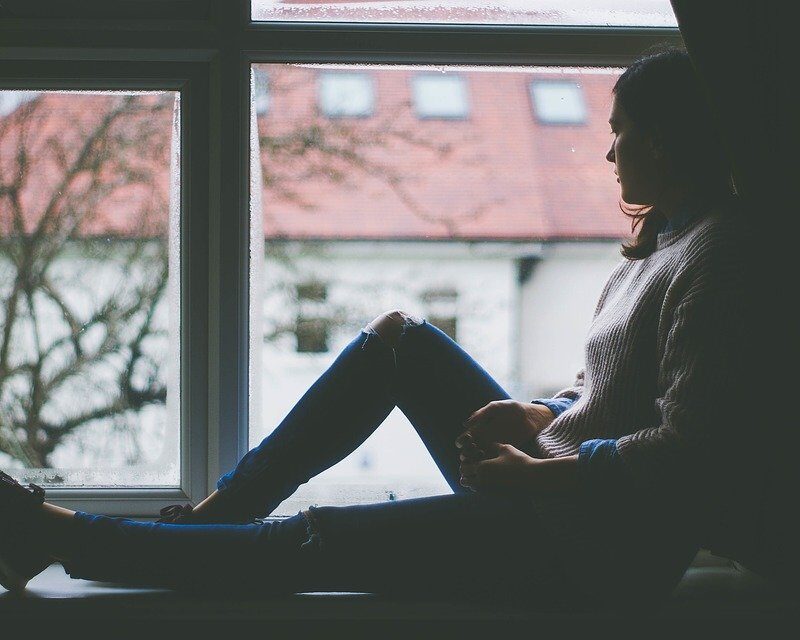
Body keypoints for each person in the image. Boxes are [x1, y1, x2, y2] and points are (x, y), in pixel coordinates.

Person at [1, 44, 748, 608]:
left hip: (594, 552)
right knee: (397, 339)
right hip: (554, 494)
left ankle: (63, 538)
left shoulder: (717, 256)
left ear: (666, 138)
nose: (610, 149)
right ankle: (212, 517)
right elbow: (605, 390)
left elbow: (691, 452)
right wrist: (537, 411)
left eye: (621, 132)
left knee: (315, 539)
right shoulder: (664, 240)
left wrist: (541, 471)